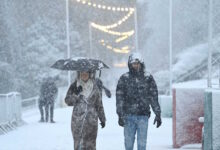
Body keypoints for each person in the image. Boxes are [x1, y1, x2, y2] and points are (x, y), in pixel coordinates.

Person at [116, 52, 162, 150]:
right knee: (128, 145)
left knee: (142, 145)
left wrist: (157, 113)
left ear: (141, 64)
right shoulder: (124, 78)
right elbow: (119, 98)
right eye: (133, 63)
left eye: (137, 63)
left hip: (143, 116)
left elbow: (153, 97)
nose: (135, 66)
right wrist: (120, 114)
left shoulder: (148, 78)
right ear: (130, 64)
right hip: (128, 116)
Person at [64, 71, 106, 150]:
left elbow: (99, 104)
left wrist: (102, 118)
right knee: (78, 145)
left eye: (86, 72)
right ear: (79, 73)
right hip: (77, 122)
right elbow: (67, 101)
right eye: (82, 72)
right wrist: (76, 94)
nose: (84, 74)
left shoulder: (95, 87)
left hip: (92, 122)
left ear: (90, 74)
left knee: (91, 146)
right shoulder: (74, 86)